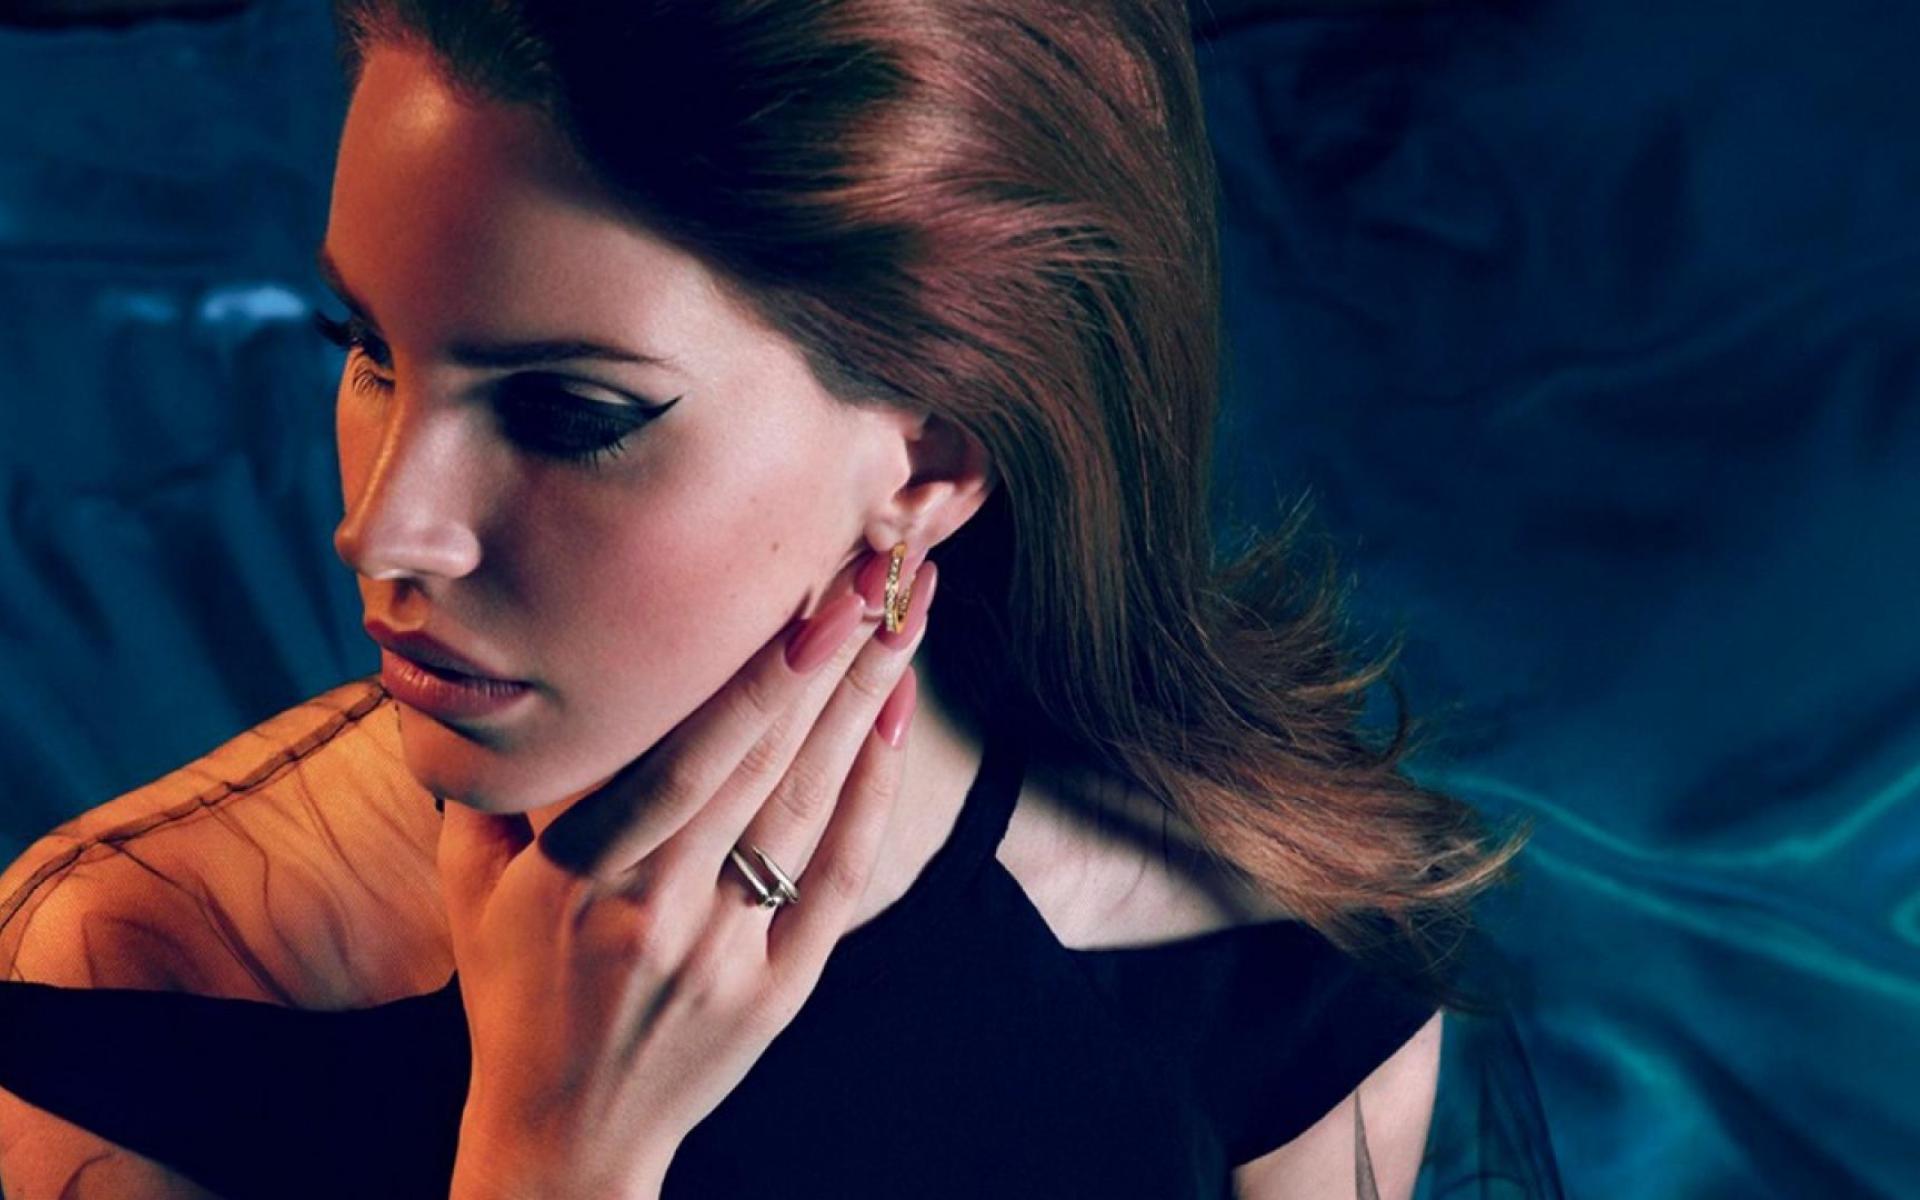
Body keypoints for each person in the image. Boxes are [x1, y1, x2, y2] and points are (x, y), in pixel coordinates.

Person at [0, 2, 1551, 1197]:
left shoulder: (1268, 949)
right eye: (371, 352)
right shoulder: (137, 971)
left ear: (932, 461)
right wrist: (552, 1160)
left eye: (568, 413)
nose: (381, 528)